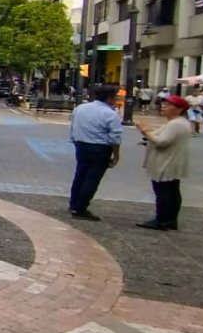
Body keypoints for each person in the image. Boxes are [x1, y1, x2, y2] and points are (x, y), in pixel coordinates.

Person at [136, 95, 192, 231]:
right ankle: (170, 219)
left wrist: (145, 131)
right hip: (171, 160)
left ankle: (162, 220)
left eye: (168, 105)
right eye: (164, 104)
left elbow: (162, 141)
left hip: (166, 161)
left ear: (179, 110)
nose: (163, 107)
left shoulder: (176, 124)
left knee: (164, 191)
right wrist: (147, 139)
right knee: (171, 190)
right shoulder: (177, 123)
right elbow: (161, 137)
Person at [67, 85, 124, 221]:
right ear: (109, 97)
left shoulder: (80, 108)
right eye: (115, 96)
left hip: (82, 145)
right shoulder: (110, 114)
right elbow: (115, 138)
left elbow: (73, 126)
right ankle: (80, 207)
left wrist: (75, 141)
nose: (116, 99)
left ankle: (74, 203)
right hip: (100, 147)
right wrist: (116, 155)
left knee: (80, 175)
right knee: (92, 178)